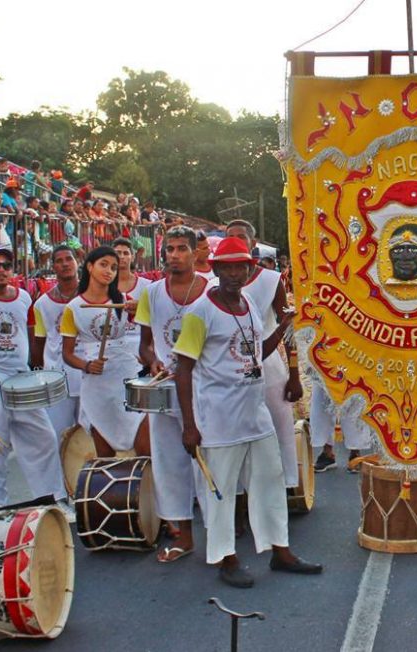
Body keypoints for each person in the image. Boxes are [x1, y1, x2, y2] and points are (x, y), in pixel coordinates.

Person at [174, 237, 322, 588]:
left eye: (241, 266)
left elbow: (258, 354)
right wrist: (189, 426)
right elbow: (183, 369)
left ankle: (280, 551)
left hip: (255, 415)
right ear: (215, 269)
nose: (235, 273)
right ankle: (227, 558)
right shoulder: (199, 312)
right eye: (227, 267)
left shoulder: (250, 307)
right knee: (222, 491)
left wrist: (285, 324)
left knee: (270, 481)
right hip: (219, 420)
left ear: (249, 269)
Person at [0, 247, 70, 511]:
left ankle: (53, 501)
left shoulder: (23, 298)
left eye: (6, 265)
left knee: (44, 439)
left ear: (13, 269)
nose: (1, 270)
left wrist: (38, 370)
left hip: (21, 383)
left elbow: (31, 337)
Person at [136, 226, 210, 563]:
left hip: (206, 388)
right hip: (166, 390)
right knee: (170, 463)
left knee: (210, 463)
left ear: (196, 253)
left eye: (182, 248)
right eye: (170, 249)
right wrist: (152, 363)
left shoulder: (214, 290)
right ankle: (185, 538)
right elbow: (145, 345)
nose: (174, 255)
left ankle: (222, 538)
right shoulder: (151, 293)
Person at [227, 220, 303, 493]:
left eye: (241, 237)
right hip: (230, 366)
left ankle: (281, 488)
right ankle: (239, 494)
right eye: (230, 237)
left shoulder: (271, 280)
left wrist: (294, 376)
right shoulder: (213, 282)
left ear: (252, 243)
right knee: (234, 432)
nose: (235, 241)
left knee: (277, 427)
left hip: (269, 366)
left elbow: (289, 330)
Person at [60, 246, 148, 456]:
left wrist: (142, 311)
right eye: (104, 265)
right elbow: (68, 353)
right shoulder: (73, 308)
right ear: (90, 267)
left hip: (126, 374)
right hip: (96, 383)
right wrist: (87, 366)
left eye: (114, 267)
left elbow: (148, 333)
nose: (109, 271)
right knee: (105, 454)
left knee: (145, 445)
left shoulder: (125, 301)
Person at [31, 246, 82, 438]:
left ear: (77, 261)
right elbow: (39, 344)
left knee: (90, 439)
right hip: (57, 379)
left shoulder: (93, 297)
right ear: (53, 266)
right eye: (59, 261)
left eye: (69, 259)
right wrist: (39, 377)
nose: (65, 264)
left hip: (88, 375)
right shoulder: (42, 304)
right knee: (59, 437)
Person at [113, 237, 152, 368]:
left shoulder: (147, 286)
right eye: (118, 253)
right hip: (113, 350)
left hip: (140, 347)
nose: (122, 257)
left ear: (133, 257)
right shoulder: (103, 287)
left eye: (126, 253)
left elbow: (157, 315)